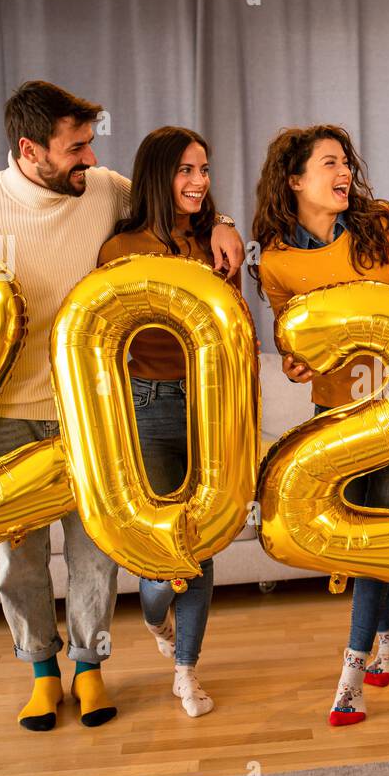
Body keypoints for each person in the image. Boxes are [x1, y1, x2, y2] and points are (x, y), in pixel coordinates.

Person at [0, 82, 243, 730]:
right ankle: (42, 671)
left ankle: (90, 668)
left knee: (96, 547)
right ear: (30, 149)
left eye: (90, 144)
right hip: (0, 410)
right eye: (76, 147)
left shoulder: (101, 187)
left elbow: (174, 196)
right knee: (21, 555)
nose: (89, 157)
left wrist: (223, 221)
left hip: (91, 410)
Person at [252, 124, 389, 727]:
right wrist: (299, 362)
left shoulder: (378, 222)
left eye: (346, 160)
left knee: (376, 528)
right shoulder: (275, 260)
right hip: (338, 414)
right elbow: (293, 340)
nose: (344, 171)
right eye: (330, 163)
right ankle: (388, 639)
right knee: (357, 531)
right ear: (296, 180)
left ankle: (351, 673)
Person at [98, 126, 238, 718]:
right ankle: (154, 614)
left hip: (214, 404)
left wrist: (223, 226)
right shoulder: (120, 248)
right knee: (163, 550)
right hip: (149, 403)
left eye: (203, 170)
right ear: (158, 175)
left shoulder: (216, 240)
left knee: (200, 543)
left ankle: (187, 670)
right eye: (186, 170)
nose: (199, 182)